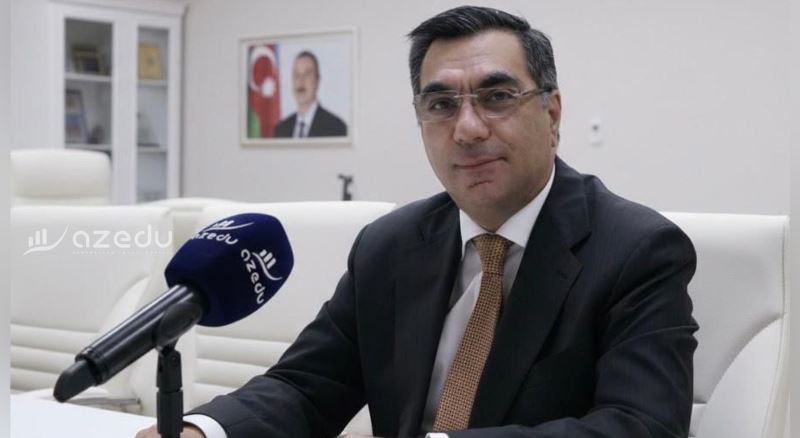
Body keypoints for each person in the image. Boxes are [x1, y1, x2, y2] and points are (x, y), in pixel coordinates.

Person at [137, 6, 697, 438]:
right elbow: (309, 385)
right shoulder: (390, 245)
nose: (468, 128)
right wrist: (206, 431)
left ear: (551, 114)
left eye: (497, 96)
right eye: (441, 105)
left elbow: (641, 426)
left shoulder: (636, 251)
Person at [273, 50, 348, 138]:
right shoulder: (281, 129)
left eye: (307, 75)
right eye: (296, 75)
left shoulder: (336, 127)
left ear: (317, 80)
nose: (300, 81)